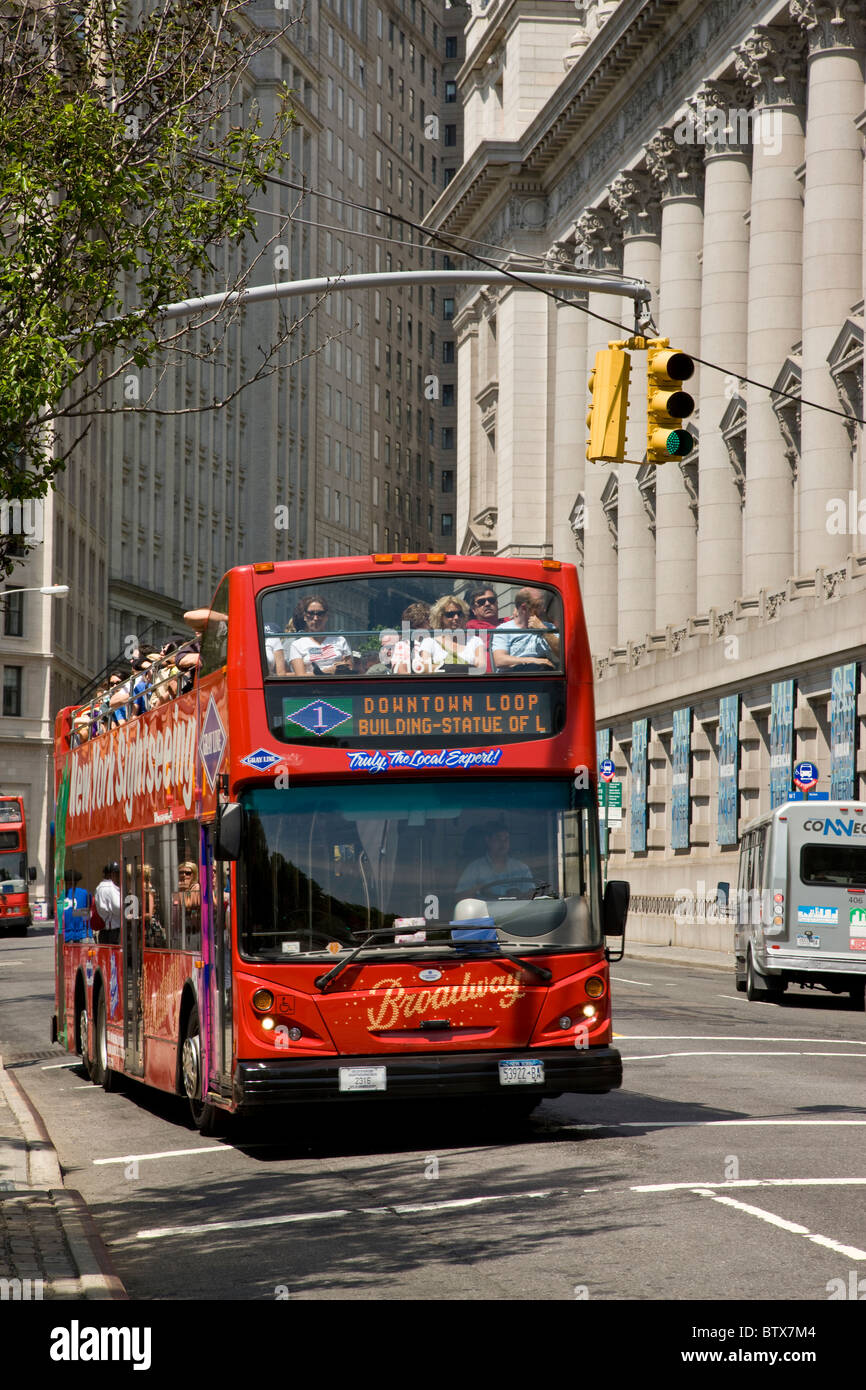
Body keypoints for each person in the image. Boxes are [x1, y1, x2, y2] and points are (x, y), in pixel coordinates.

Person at [455, 821, 536, 899]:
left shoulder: (521, 868)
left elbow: (532, 896)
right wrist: (478, 888)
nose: (503, 843)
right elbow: (459, 898)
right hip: (485, 909)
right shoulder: (475, 868)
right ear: (488, 840)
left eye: (506, 839)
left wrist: (519, 895)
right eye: (498, 838)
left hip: (518, 909)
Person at [491, 587, 560, 671]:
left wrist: (543, 630)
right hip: (517, 676)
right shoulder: (504, 629)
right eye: (538, 606)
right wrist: (533, 660)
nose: (544, 610)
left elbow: (562, 654)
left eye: (543, 605)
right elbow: (500, 660)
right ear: (524, 608)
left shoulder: (548, 627)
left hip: (544, 674)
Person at [288, 595, 353, 675]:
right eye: (311, 613)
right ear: (305, 617)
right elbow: (300, 676)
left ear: (326, 616)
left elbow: (350, 668)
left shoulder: (340, 640)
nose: (315, 618)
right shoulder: (297, 645)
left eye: (320, 614)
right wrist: (328, 671)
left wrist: (342, 667)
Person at [421, 595, 486, 672]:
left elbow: (481, 668)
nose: (456, 617)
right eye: (450, 614)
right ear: (440, 617)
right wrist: (449, 669)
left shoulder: (475, 641)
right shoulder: (429, 642)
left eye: (459, 614)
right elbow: (424, 667)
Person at [466, 585, 500, 672]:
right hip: (483, 677)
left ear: (497, 604)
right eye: (481, 602)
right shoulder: (469, 627)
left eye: (491, 600)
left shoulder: (509, 622)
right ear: (474, 610)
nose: (487, 604)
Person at [94, 862, 122, 943]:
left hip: (103, 929)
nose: (118, 877)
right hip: (113, 929)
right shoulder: (111, 888)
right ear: (111, 874)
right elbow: (117, 907)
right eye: (117, 874)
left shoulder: (99, 887)